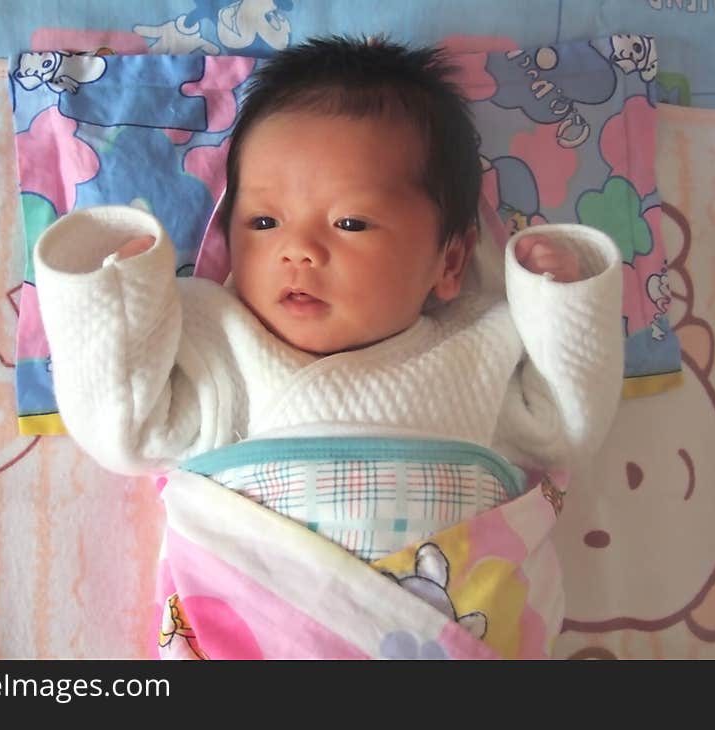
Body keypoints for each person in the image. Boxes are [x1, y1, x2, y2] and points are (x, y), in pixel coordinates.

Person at [33, 36, 622, 561]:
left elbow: (565, 426)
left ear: (450, 261)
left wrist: (560, 299)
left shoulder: (480, 345)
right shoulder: (220, 345)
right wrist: (120, 292)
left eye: (350, 223)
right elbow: (124, 431)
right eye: (264, 222)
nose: (299, 250)